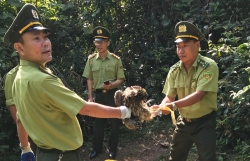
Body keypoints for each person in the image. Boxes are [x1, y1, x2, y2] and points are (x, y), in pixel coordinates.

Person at [3, 3, 131, 161]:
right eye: (36, 38)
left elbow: (20, 118)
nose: (46, 43)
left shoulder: (17, 76)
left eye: (45, 36)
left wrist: (25, 147)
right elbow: (85, 108)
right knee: (99, 126)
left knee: (112, 128)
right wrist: (125, 112)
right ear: (19, 48)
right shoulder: (42, 80)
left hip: (45, 153)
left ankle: (111, 149)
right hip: (62, 156)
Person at [154, 21, 219, 161]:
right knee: (176, 156)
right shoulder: (174, 70)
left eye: (185, 46)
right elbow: (169, 97)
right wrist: (161, 107)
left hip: (204, 122)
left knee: (207, 158)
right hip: (183, 122)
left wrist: (173, 105)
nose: (180, 51)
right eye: (178, 46)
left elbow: (199, 95)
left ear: (197, 45)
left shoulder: (209, 66)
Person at [82, 26, 125, 159]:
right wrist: (90, 97)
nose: (98, 44)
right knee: (98, 124)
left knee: (114, 124)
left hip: (113, 96)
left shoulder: (115, 60)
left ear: (108, 43)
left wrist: (112, 85)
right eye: (96, 41)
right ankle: (96, 149)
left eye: (101, 41)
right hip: (99, 95)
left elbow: (121, 79)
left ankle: (112, 150)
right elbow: (89, 79)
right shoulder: (91, 60)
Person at [4, 65, 37, 155]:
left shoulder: (45, 71)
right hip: (32, 130)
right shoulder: (13, 75)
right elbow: (12, 105)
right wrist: (25, 135)